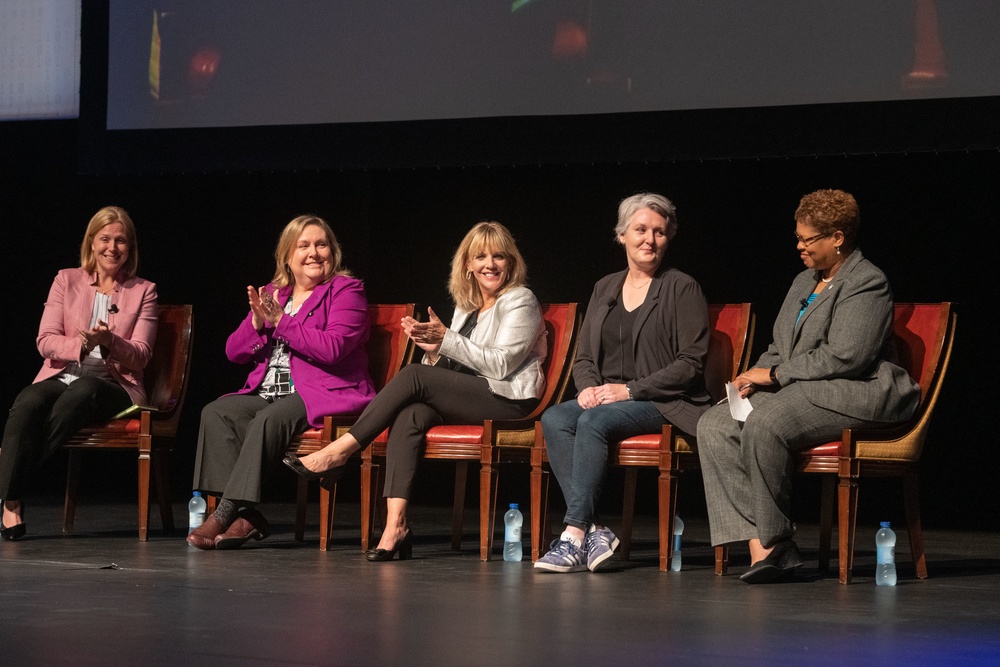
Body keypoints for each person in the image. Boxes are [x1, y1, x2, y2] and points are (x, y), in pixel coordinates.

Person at [285, 221, 547, 561]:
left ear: (511, 262)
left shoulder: (520, 300)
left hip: (510, 400)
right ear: (467, 264)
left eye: (499, 256)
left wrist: (447, 341)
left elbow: (499, 366)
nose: (490, 264)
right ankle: (396, 526)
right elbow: (453, 368)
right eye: (480, 256)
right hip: (475, 395)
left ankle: (341, 451)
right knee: (411, 414)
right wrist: (434, 349)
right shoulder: (467, 306)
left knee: (413, 377)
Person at [697, 189, 921, 583]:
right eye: (797, 237)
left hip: (861, 390)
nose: (799, 246)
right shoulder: (804, 280)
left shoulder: (867, 282)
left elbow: (847, 356)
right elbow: (779, 347)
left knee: (767, 423)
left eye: (808, 239)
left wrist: (777, 376)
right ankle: (762, 547)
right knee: (713, 424)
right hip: (807, 387)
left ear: (837, 237)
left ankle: (776, 541)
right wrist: (753, 374)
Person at [534, 193, 712, 573]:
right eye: (641, 229)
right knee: (555, 418)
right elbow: (584, 357)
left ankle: (573, 534)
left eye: (660, 232)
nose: (650, 239)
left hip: (664, 399)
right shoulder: (605, 287)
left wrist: (629, 391)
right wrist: (585, 387)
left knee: (593, 422)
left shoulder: (682, 287)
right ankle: (595, 529)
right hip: (609, 397)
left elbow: (690, 365)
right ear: (622, 235)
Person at [187, 215, 375, 550]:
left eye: (321, 244)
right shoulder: (275, 293)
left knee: (268, 419)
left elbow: (333, 349)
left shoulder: (347, 291)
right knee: (217, 412)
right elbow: (233, 352)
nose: (314, 253)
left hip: (324, 392)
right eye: (304, 246)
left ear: (333, 251)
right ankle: (247, 516)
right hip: (269, 391)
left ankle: (226, 512)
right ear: (288, 256)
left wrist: (281, 321)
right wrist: (259, 323)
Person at [0, 206, 158, 540]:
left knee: (85, 390)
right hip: (62, 375)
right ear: (91, 242)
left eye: (120, 241)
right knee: (27, 400)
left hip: (114, 385)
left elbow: (141, 356)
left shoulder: (144, 290)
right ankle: (11, 499)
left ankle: (12, 473)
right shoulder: (66, 280)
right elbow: (45, 341)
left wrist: (110, 341)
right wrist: (82, 346)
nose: (112, 248)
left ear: (130, 248)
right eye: (104, 239)